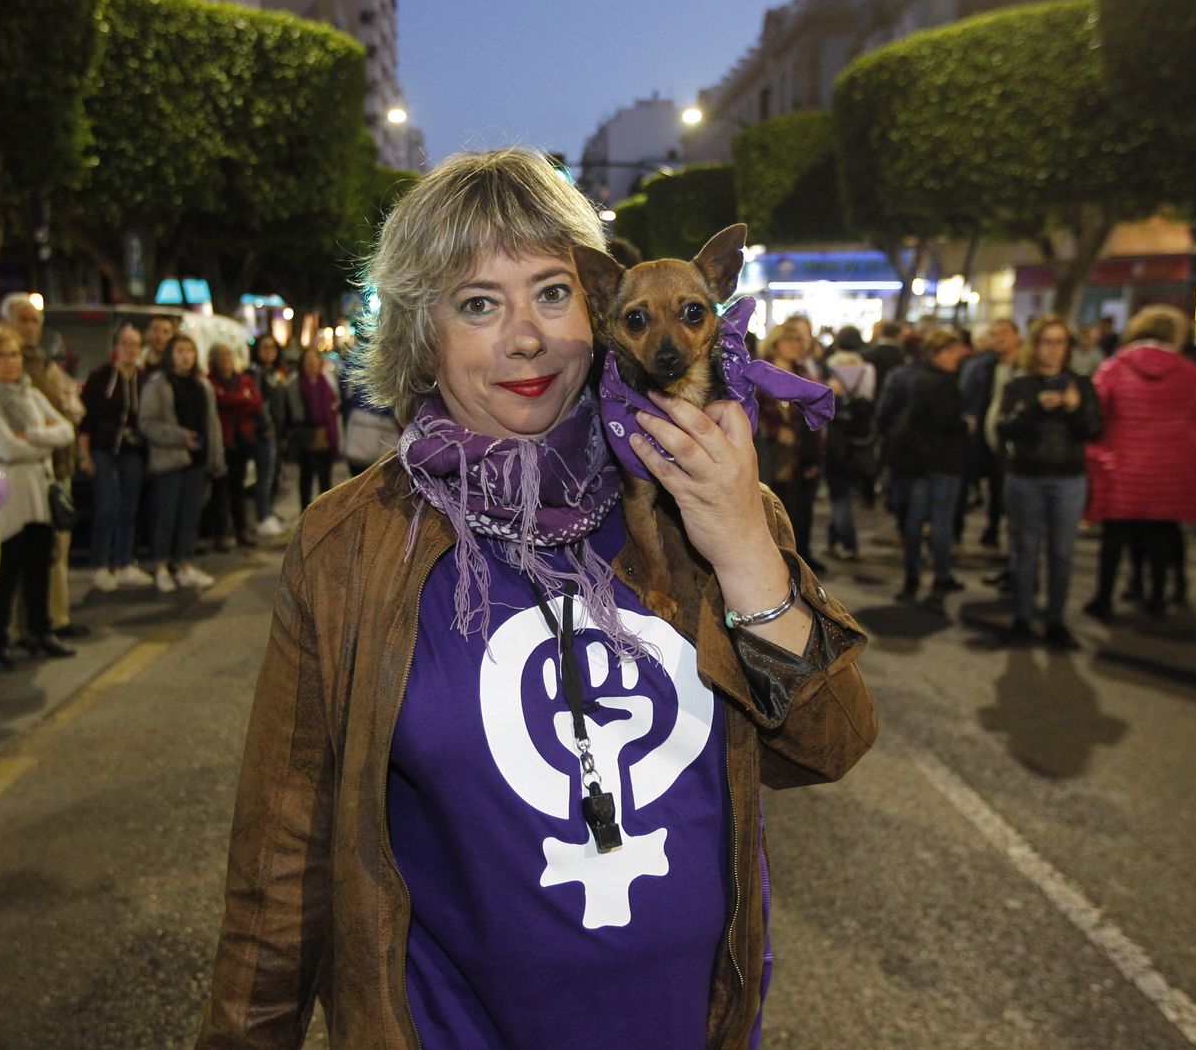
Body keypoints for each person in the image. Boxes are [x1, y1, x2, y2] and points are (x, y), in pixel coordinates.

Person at [195, 148, 876, 1050]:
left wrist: (747, 548)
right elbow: (283, 863)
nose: (528, 337)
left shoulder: (707, 495)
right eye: (479, 303)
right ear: (420, 334)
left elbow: (828, 748)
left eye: (554, 293)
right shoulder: (349, 545)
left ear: (597, 313)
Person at [1083, 306, 1196, 620]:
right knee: (1160, 531)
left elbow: (1095, 405)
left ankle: (1104, 598)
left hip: (1122, 462)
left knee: (1115, 535)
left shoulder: (1116, 367)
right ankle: (1157, 598)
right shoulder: (1187, 370)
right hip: (1168, 466)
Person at [0, 325, 77, 669]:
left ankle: (40, 631)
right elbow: (4, 447)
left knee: (38, 567)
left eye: (14, 354)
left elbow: (66, 430)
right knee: (5, 573)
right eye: (0, 355)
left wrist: (30, 434)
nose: (10, 362)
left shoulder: (31, 394)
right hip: (4, 496)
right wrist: (39, 443)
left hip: (38, 492)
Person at [995, 316, 1103, 648]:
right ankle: (1022, 617)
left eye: (1059, 343)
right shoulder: (1020, 385)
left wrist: (1073, 407)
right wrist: (1032, 407)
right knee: (1024, 551)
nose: (1053, 350)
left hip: (1068, 479)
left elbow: (1095, 429)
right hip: (1026, 477)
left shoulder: (1081, 385)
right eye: (1046, 342)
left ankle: (1056, 619)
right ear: (1035, 345)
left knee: (1062, 553)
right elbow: (1004, 427)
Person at [4, 291, 88, 639]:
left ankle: (55, 617)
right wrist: (48, 432)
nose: (30, 327)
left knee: (55, 552)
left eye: (35, 321)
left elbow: (66, 420)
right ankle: (18, 628)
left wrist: (55, 432)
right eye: (22, 320)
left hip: (55, 469)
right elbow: (16, 433)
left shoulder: (41, 363)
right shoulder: (8, 367)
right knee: (21, 557)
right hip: (22, 475)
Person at [141, 333, 224, 592]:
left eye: (189, 350)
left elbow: (212, 424)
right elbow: (148, 423)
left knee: (190, 516)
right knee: (166, 516)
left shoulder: (202, 385)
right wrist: (180, 437)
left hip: (197, 461)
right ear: (170, 355)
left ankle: (186, 564)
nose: (185, 356)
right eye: (180, 351)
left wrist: (215, 458)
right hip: (170, 461)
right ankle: (161, 566)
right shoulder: (158, 384)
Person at [891, 329, 970, 604]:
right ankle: (941, 575)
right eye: (949, 351)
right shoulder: (944, 383)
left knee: (916, 519)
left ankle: (912, 574)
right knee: (941, 521)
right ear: (935, 354)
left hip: (919, 460)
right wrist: (965, 424)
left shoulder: (917, 379)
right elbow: (946, 421)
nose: (955, 357)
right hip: (944, 461)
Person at [78, 321, 153, 592]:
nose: (131, 349)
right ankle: (99, 564)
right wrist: (84, 455)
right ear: (116, 347)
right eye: (126, 344)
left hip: (132, 451)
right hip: (102, 449)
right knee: (107, 505)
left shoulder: (144, 379)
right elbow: (85, 419)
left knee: (128, 507)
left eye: (135, 344)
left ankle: (124, 562)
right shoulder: (101, 377)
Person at [757, 317, 827, 575]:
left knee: (801, 509)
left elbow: (815, 418)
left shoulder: (804, 375)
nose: (795, 345)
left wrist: (814, 457)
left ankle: (801, 559)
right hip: (770, 455)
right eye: (789, 340)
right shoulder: (760, 376)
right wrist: (776, 432)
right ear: (776, 344)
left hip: (800, 453)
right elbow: (753, 414)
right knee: (772, 510)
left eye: (798, 340)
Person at [960, 318, 1022, 549]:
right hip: (987, 438)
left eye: (1004, 333)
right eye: (995, 334)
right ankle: (993, 527)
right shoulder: (984, 366)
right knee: (995, 487)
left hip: (1016, 442)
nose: (999, 339)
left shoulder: (1024, 367)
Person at [823, 327, 878, 561]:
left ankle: (844, 542)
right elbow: (869, 397)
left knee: (838, 494)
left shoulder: (828, 367)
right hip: (858, 439)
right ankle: (838, 541)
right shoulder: (866, 369)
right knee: (846, 494)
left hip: (835, 439)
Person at [206, 343, 263, 550]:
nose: (226, 361)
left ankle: (241, 530)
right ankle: (220, 533)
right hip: (222, 441)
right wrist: (241, 400)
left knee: (238, 489)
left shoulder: (244, 380)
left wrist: (232, 401)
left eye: (228, 356)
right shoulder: (211, 381)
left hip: (242, 441)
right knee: (220, 491)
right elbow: (220, 400)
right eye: (221, 357)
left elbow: (256, 402)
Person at [287, 345, 339, 512]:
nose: (311, 364)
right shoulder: (296, 382)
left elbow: (335, 403)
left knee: (325, 477)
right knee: (306, 477)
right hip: (306, 436)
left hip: (325, 435)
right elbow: (295, 412)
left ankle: (325, 512)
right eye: (307, 360)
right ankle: (306, 511)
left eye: (314, 359)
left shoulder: (327, 380)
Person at [249, 338, 288, 537]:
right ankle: (262, 517)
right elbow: (258, 402)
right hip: (265, 432)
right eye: (264, 347)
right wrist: (267, 425)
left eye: (272, 347)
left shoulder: (276, 373)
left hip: (278, 431)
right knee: (264, 477)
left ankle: (269, 512)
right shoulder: (256, 373)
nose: (269, 351)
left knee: (274, 475)